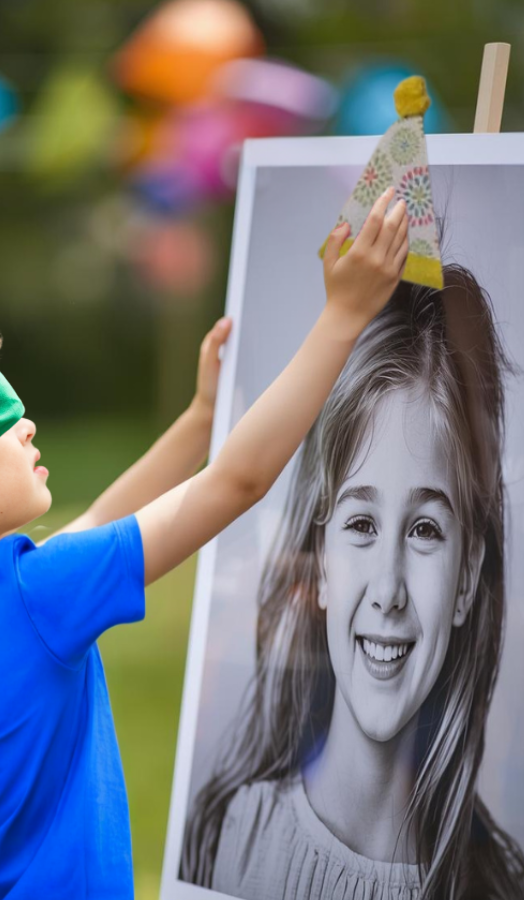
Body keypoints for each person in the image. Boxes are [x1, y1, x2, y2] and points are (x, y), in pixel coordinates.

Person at [0, 189, 408, 899]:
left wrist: (200, 419)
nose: (24, 425)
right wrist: (344, 315)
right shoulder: (35, 597)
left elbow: (95, 533)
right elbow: (236, 484)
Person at [182, 263, 524, 900]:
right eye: (362, 523)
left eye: (425, 530)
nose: (389, 589)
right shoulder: (227, 834)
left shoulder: (499, 886)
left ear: (468, 578)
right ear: (319, 563)